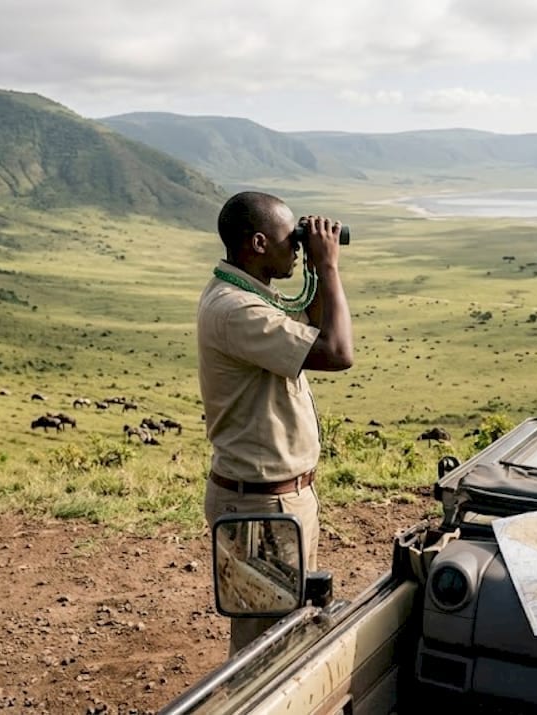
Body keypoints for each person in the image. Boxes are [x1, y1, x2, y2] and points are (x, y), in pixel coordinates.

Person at [196, 190, 353, 653]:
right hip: (261, 507)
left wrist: (315, 274)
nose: (299, 246)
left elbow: (312, 327)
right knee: (264, 650)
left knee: (287, 633)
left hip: (275, 501)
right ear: (260, 243)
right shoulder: (235, 309)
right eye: (292, 239)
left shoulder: (250, 297)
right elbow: (337, 352)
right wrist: (328, 268)